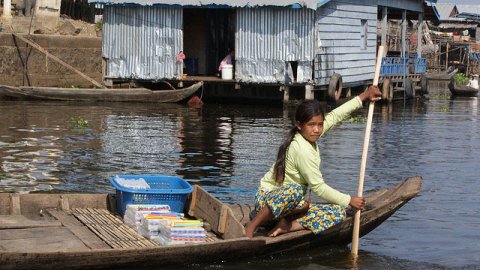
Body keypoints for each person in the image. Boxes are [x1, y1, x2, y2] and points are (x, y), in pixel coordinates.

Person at [245, 85, 382, 238]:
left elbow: (336, 115)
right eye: (311, 125)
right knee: (295, 191)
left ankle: (287, 226)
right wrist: (349, 199)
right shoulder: (301, 148)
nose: (317, 130)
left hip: (290, 206)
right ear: (299, 125)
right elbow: (318, 188)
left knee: (339, 212)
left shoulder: (311, 134)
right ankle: (253, 226)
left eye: (320, 124)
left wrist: (364, 96)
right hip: (267, 201)